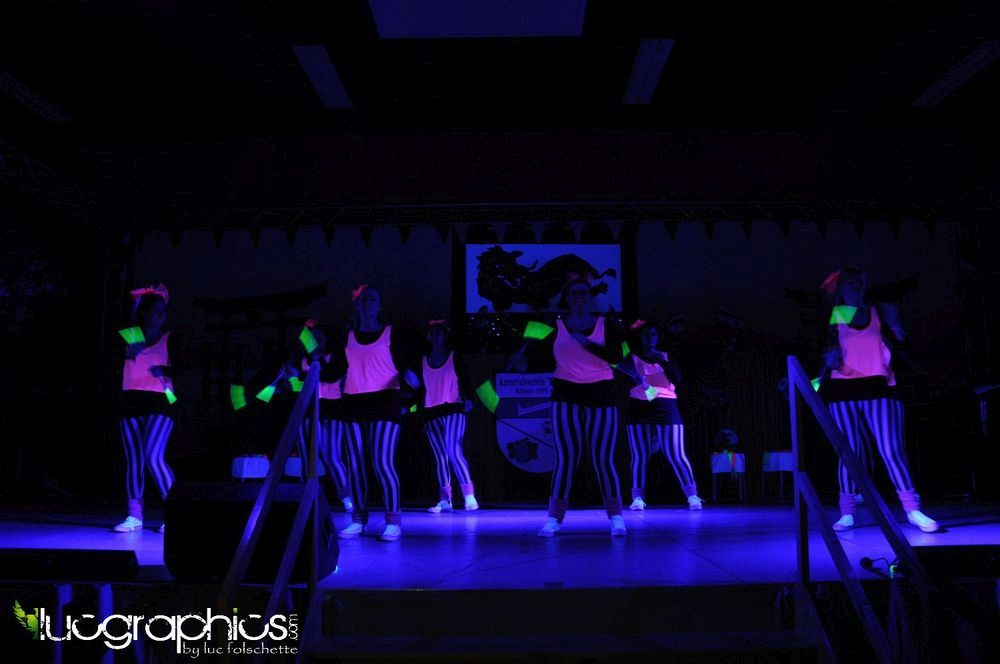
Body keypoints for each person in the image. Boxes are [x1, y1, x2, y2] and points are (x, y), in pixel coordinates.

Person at [819, 267, 938, 532]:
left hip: (878, 386)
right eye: (850, 282)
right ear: (841, 288)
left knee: (891, 449)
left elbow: (900, 341)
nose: (856, 285)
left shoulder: (878, 311)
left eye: (859, 281)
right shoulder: (838, 315)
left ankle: (913, 509)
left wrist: (896, 327)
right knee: (848, 452)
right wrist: (824, 370)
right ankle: (847, 511)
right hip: (843, 389)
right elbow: (828, 353)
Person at [532, 276, 627, 537]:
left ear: (590, 296)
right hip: (566, 394)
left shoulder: (607, 324)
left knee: (603, 458)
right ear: (567, 298)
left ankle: (616, 516)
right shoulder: (556, 326)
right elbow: (539, 355)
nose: (579, 298)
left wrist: (588, 344)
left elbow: (617, 357)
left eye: (583, 293)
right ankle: (554, 518)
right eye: (574, 293)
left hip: (602, 394)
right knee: (566, 459)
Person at [338, 285, 421, 542]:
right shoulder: (347, 337)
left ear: (379, 306)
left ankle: (393, 521)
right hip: (353, 402)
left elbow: (408, 367)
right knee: (355, 464)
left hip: (385, 401)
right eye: (363, 299)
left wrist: (410, 381)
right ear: (356, 305)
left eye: (372, 299)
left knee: (382, 462)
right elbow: (336, 369)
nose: (367, 303)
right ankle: (358, 520)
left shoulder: (390, 333)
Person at [114, 284, 177, 533]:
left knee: (153, 456)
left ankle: (176, 511)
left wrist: (165, 370)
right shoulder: (130, 336)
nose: (160, 317)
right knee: (134, 460)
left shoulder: (170, 338)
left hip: (160, 401)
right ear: (144, 313)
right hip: (130, 401)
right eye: (155, 311)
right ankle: (134, 515)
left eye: (163, 312)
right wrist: (126, 353)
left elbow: (183, 368)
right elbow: (111, 365)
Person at [622, 319, 703, 511]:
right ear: (640, 337)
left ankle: (692, 495)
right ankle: (637, 498)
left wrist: (663, 360)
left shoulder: (666, 356)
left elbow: (677, 378)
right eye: (645, 335)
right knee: (639, 455)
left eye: (653, 335)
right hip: (640, 406)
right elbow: (621, 365)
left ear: (658, 337)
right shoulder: (632, 357)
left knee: (676, 454)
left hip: (666, 405)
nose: (649, 338)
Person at [420, 320, 478, 513]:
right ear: (429, 337)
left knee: (453, 450)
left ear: (445, 336)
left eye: (440, 333)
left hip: (453, 407)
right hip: (431, 411)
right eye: (433, 333)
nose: (436, 336)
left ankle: (469, 495)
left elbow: (466, 380)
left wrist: (470, 399)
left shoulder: (454, 357)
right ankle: (445, 500)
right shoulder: (422, 360)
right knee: (440, 456)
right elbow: (419, 387)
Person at [297, 320, 353, 513]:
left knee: (332, 456)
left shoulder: (335, 356)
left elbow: (330, 376)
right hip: (308, 411)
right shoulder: (303, 360)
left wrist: (317, 360)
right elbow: (297, 382)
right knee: (307, 457)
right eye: (313, 338)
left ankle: (346, 496)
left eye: (320, 337)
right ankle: (308, 497)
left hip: (331, 410)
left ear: (327, 339)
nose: (316, 341)